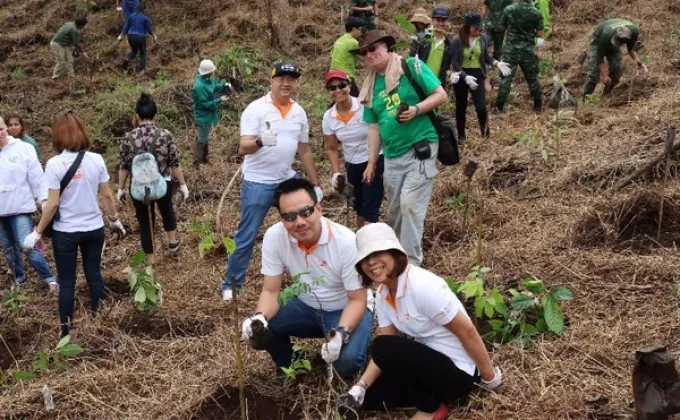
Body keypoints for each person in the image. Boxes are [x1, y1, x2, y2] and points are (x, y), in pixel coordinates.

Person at [337, 223, 502, 420]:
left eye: (377, 253)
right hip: (428, 366)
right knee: (372, 398)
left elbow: (467, 331)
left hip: (458, 372)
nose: (371, 262)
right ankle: (430, 396)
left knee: (382, 346)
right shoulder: (383, 295)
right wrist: (360, 387)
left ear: (394, 254)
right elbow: (387, 349)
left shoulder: (423, 286)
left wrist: (489, 377)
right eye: (364, 259)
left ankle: (431, 408)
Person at [240, 178, 373, 380]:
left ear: (319, 207)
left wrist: (341, 334)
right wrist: (259, 317)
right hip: (305, 304)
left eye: (306, 212)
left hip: (345, 307)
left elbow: (357, 299)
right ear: (281, 218)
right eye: (290, 216)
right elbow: (271, 291)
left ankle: (354, 343)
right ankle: (290, 363)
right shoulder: (274, 237)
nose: (299, 222)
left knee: (346, 363)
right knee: (263, 329)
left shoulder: (345, 242)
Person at [221, 62, 321, 300]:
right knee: (246, 236)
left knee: (309, 224)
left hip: (286, 179)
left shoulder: (299, 112)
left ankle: (314, 277)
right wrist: (260, 141)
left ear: (296, 83)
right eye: (281, 79)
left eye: (291, 79)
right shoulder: (256, 109)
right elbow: (243, 147)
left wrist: (314, 184)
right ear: (272, 81)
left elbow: (304, 151)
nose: (286, 83)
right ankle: (232, 284)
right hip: (257, 182)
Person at [24, 112, 126, 338]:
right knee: (94, 275)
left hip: (66, 233)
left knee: (67, 281)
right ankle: (99, 321)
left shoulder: (54, 164)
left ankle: (65, 332)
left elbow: (51, 204)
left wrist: (37, 231)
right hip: (94, 228)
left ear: (57, 135)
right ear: (81, 131)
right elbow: (107, 196)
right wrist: (115, 220)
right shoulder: (97, 160)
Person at [356, 31, 448, 266]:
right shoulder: (370, 85)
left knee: (409, 207)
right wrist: (372, 162)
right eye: (364, 52)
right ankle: (396, 258)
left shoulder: (410, 67)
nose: (369, 54)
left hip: (421, 146)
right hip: (392, 154)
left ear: (386, 47)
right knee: (395, 211)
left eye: (373, 48)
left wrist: (417, 109)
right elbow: (374, 126)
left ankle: (412, 266)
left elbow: (440, 95)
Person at [117, 93, 189, 265]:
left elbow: (124, 166)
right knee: (167, 209)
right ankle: (172, 242)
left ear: (137, 116)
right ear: (155, 116)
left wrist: (120, 188)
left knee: (144, 221)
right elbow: (174, 163)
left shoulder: (128, 138)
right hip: (163, 183)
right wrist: (183, 184)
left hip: (139, 187)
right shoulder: (165, 135)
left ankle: (150, 258)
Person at [0, 116, 57, 291]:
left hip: (20, 206)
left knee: (27, 244)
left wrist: (43, 200)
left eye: (1, 129)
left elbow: (37, 177)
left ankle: (50, 279)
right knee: (8, 248)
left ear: (5, 128)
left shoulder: (23, 148)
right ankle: (19, 279)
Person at [323, 70, 384, 228]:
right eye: (332, 88)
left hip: (374, 159)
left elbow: (378, 130)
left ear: (349, 86)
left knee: (370, 204)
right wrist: (336, 172)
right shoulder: (329, 117)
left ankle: (373, 241)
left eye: (342, 85)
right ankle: (360, 236)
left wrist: (373, 163)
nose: (338, 90)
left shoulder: (364, 106)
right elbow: (331, 148)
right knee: (358, 203)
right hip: (352, 164)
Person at [450, 11, 511, 140]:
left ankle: (485, 134)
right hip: (462, 76)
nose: (479, 30)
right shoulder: (457, 41)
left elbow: (486, 56)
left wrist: (497, 63)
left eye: (480, 27)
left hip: (477, 75)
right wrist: (464, 76)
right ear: (468, 26)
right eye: (476, 27)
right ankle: (461, 136)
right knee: (461, 107)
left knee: (481, 107)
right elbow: (454, 62)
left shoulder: (482, 38)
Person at [494, 0, 545, 113]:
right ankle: (538, 106)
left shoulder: (509, 9)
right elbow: (540, 34)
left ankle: (499, 108)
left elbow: (501, 27)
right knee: (532, 78)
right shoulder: (536, 13)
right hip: (528, 50)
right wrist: (530, 33)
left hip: (510, 50)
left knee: (506, 79)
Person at [584, 19, 646, 98]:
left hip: (611, 37)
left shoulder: (634, 31)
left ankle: (607, 95)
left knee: (617, 68)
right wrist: (605, 76)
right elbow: (599, 57)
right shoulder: (606, 35)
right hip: (599, 40)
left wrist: (638, 61)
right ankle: (586, 99)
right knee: (593, 74)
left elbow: (631, 49)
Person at [192, 59, 230, 168]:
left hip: (209, 115)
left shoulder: (209, 79)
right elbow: (204, 105)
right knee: (202, 138)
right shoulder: (199, 87)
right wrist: (220, 100)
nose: (213, 72)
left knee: (204, 136)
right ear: (208, 72)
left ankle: (204, 158)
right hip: (203, 115)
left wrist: (224, 86)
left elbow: (216, 86)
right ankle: (197, 162)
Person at [410, 7, 454, 88]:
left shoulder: (448, 45)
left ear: (447, 22)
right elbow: (411, 60)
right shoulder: (421, 39)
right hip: (420, 83)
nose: (440, 23)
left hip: (436, 86)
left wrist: (451, 74)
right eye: (438, 20)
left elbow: (446, 68)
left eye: (443, 20)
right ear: (432, 21)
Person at [330, 17, 365, 97]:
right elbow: (364, 57)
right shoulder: (353, 42)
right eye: (360, 29)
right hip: (344, 76)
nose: (361, 32)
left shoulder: (339, 40)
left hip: (332, 76)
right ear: (354, 29)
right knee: (356, 100)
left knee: (341, 100)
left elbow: (332, 55)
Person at [117, 4, 156, 74]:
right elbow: (149, 29)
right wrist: (154, 36)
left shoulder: (131, 16)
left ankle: (127, 60)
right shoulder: (145, 18)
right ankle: (142, 71)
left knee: (134, 51)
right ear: (144, 10)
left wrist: (121, 35)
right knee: (143, 53)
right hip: (140, 37)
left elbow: (126, 27)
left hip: (130, 36)